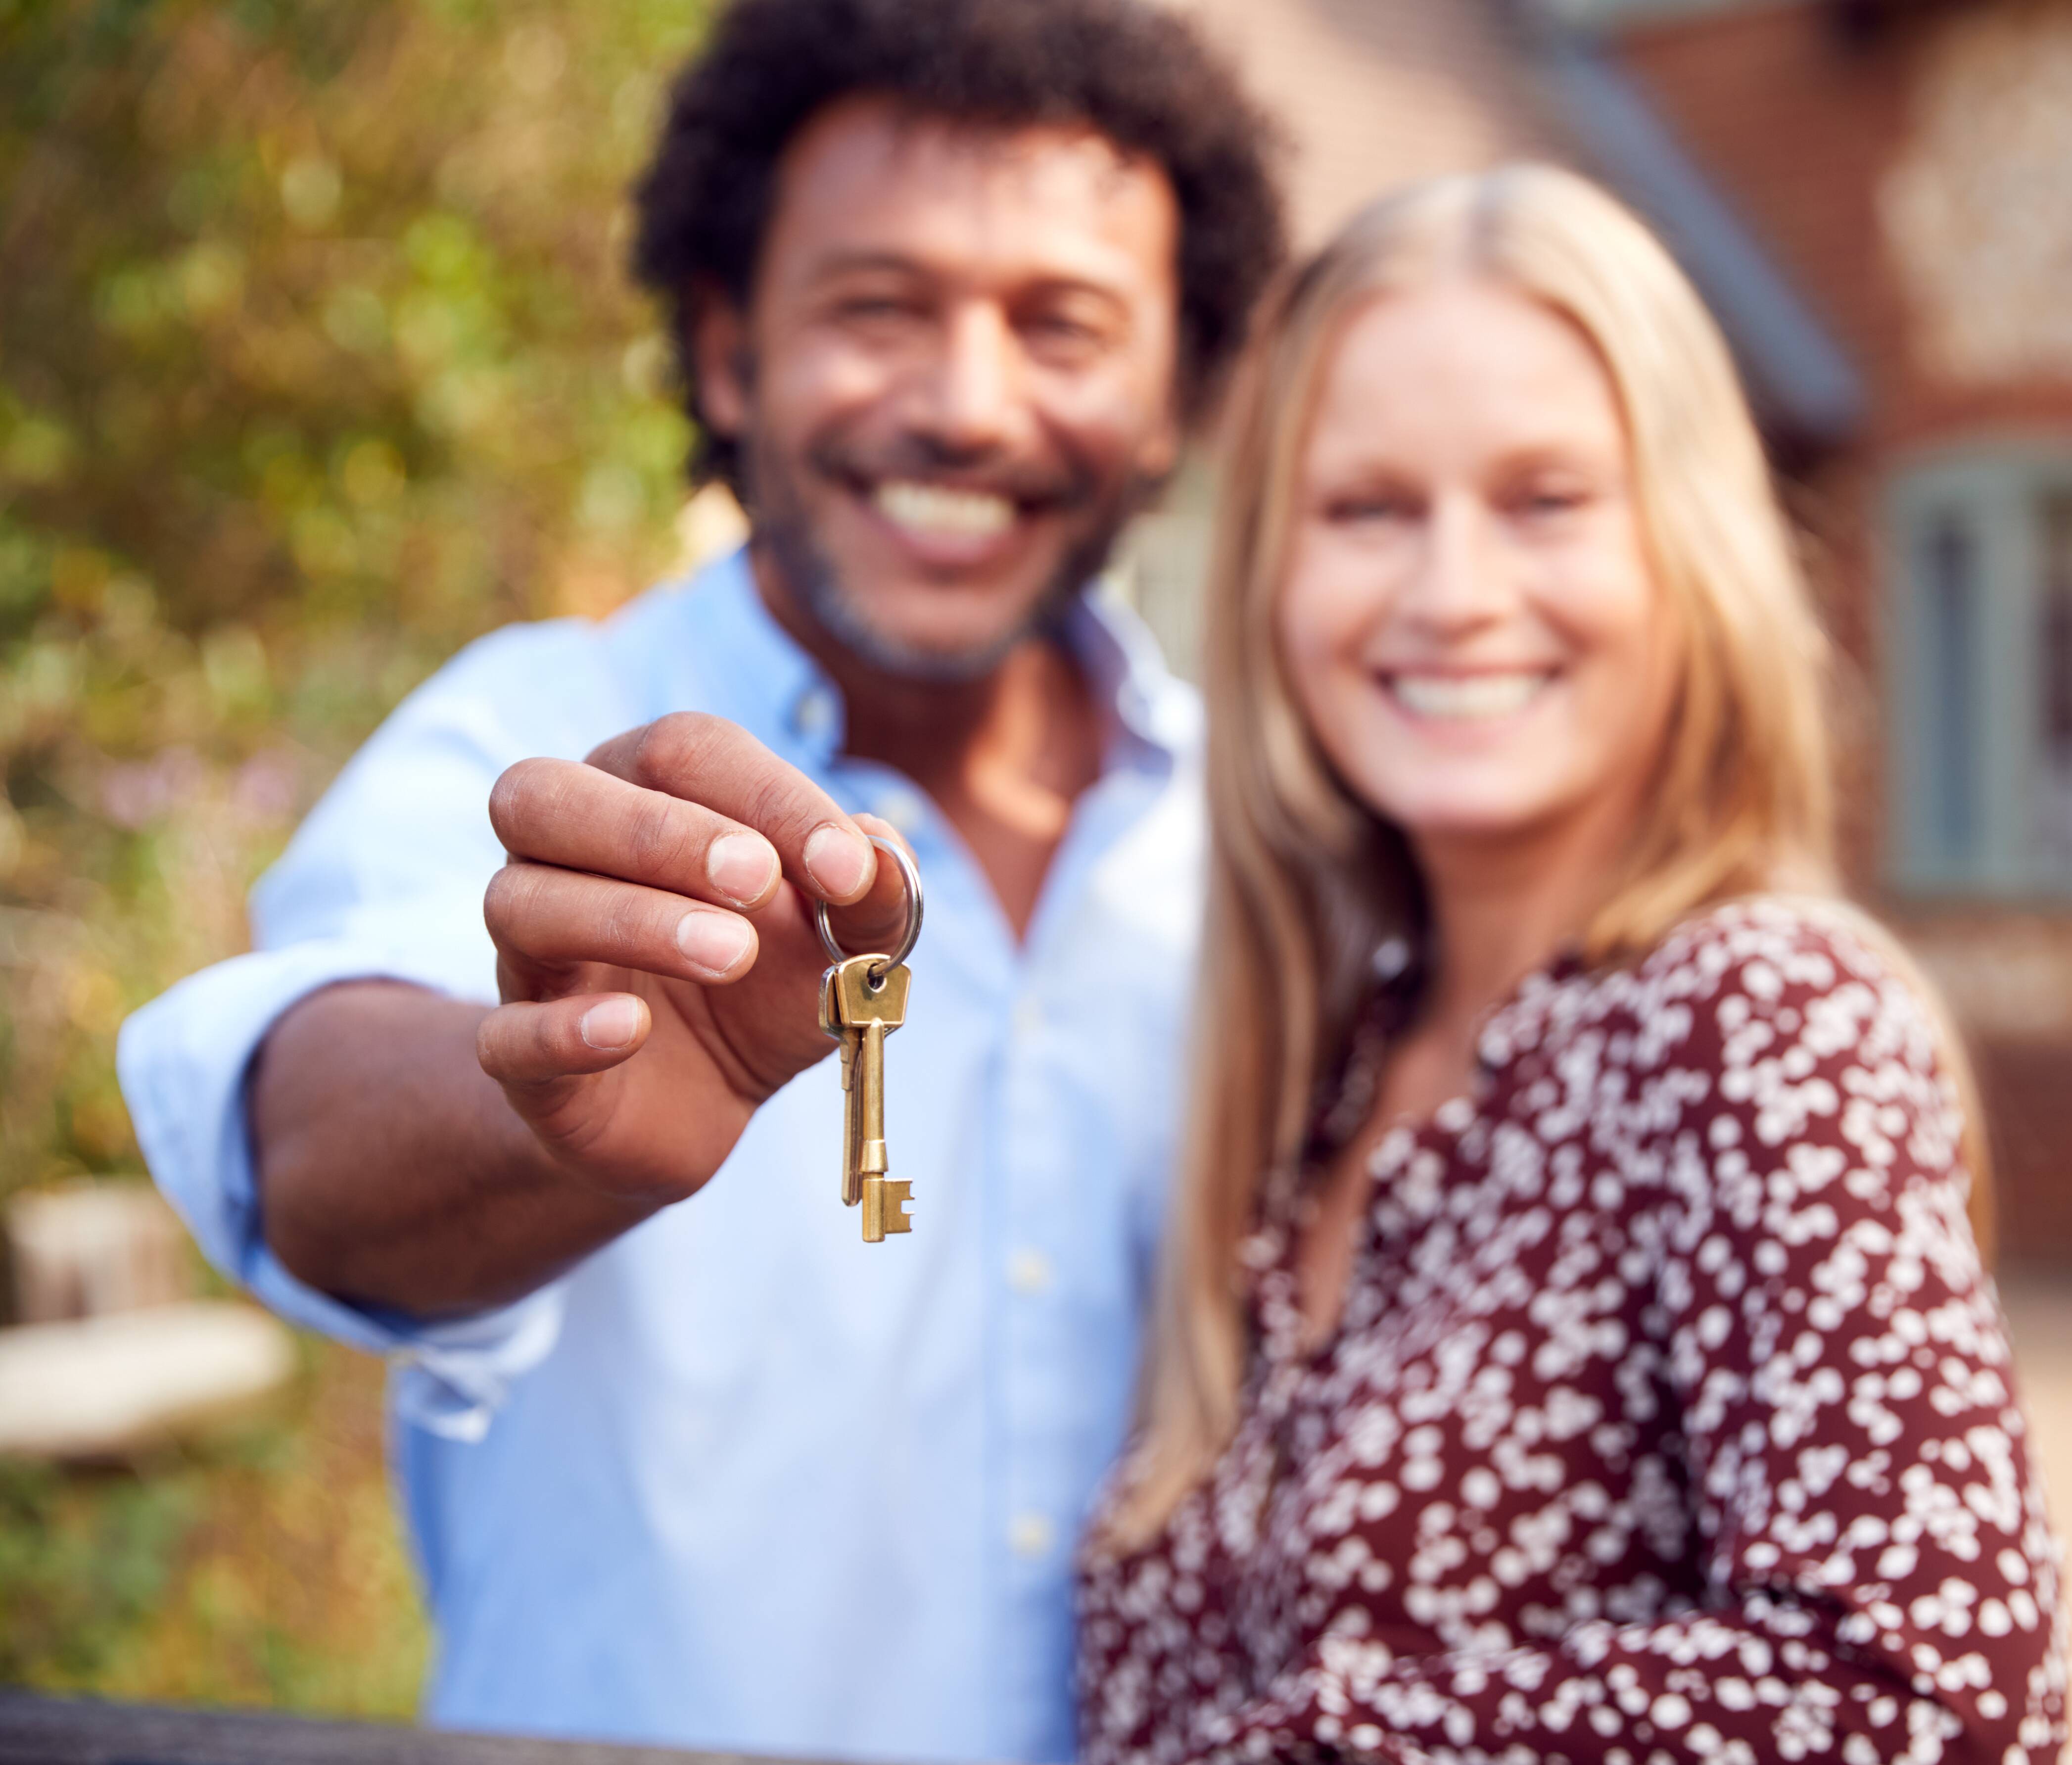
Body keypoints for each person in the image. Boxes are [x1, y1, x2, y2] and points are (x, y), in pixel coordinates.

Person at [115, 0, 1282, 1757]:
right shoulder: (539, 734)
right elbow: (300, 1146)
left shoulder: (1271, 845)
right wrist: (536, 1112)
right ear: (729, 351)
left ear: (1174, 397)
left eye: (1064, 325)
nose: (970, 406)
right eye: (878, 307)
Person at [1076, 166, 2070, 1765]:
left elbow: (1929, 1694)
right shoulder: (1315, 1075)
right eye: (1368, 509)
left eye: (1545, 500)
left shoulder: (1754, 1021)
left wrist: (1312, 1749)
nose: (1454, 595)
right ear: (1270, 578)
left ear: (1685, 552)